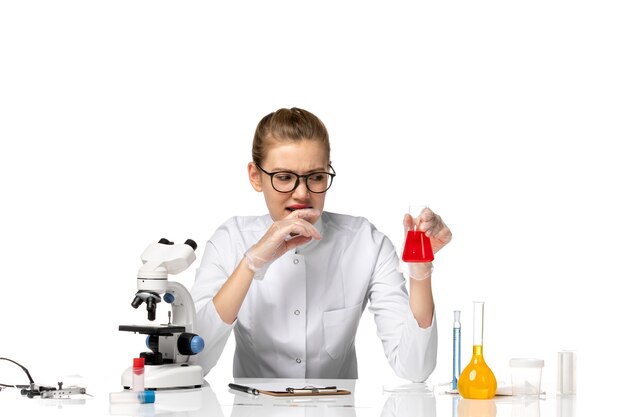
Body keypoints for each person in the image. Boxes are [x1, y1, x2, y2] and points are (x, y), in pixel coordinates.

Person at [191, 107, 452, 381]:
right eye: (284, 177)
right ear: (256, 176)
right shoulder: (230, 240)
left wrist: (420, 269)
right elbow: (196, 359)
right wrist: (250, 263)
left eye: (316, 177)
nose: (302, 193)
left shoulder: (365, 243)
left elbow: (415, 369)